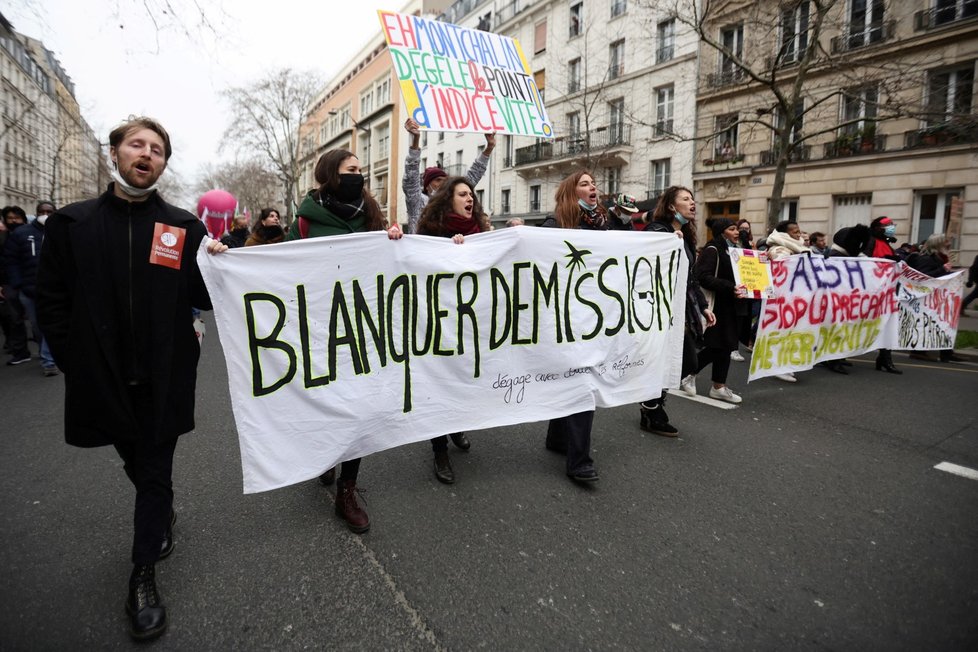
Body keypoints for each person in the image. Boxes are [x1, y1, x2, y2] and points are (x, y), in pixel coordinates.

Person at [35, 116, 227, 641]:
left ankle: (142, 576)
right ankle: (159, 512)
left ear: (164, 164)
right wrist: (77, 361)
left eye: (158, 149)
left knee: (155, 468)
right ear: (115, 152)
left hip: (165, 375)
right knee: (138, 464)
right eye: (137, 145)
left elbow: (204, 298)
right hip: (103, 378)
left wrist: (217, 264)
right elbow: (50, 301)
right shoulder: (71, 225)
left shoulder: (183, 228)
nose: (146, 154)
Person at [289, 148, 403, 528]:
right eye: (352, 169)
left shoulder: (370, 211)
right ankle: (324, 455)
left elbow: (388, 256)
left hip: (362, 323)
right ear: (331, 173)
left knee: (359, 407)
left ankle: (347, 490)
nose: (360, 174)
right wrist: (228, 257)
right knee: (325, 400)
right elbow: (280, 263)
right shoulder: (306, 219)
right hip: (321, 324)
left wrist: (394, 237)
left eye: (361, 169)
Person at [541, 170, 629, 484]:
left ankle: (557, 438)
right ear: (570, 192)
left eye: (594, 183)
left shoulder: (607, 225)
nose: (593, 187)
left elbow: (634, 246)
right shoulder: (554, 226)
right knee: (583, 384)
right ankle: (578, 461)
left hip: (595, 319)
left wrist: (667, 241)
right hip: (565, 319)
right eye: (584, 183)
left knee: (577, 379)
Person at [416, 177, 488, 482]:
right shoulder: (432, 232)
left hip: (470, 322)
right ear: (449, 200)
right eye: (462, 194)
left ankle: (456, 424)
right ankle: (439, 449)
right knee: (439, 383)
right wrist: (449, 249)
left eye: (471, 194)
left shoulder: (482, 233)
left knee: (461, 379)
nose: (469, 198)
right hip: (438, 321)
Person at [641, 186, 715, 435]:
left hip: (679, 308)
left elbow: (690, 278)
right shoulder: (657, 231)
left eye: (693, 199)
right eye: (686, 199)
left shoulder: (686, 235)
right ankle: (652, 408)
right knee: (669, 358)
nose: (692, 203)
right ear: (672, 206)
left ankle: (651, 404)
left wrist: (703, 308)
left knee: (686, 361)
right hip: (658, 308)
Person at [401, 118, 494, 233]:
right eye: (438, 180)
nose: (443, 183)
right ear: (427, 185)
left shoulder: (452, 201)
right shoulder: (417, 202)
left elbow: (473, 176)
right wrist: (415, 141)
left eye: (445, 180)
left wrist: (489, 148)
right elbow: (410, 178)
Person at [692, 218, 748, 404]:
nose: (737, 232)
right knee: (718, 346)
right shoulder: (712, 250)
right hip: (718, 307)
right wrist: (730, 287)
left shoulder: (734, 251)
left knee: (726, 346)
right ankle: (688, 372)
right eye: (732, 229)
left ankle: (718, 386)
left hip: (732, 306)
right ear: (722, 232)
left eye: (736, 229)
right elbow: (702, 276)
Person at [3, 201, 58, 375]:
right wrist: (18, 285)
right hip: (29, 290)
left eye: (49, 212)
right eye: (42, 211)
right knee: (37, 327)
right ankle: (49, 352)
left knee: (51, 323)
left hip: (54, 290)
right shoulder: (21, 233)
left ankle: (48, 361)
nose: (45, 215)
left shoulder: (61, 231)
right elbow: (11, 261)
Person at [762, 220, 814, 383]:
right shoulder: (780, 250)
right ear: (785, 234)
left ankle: (785, 364)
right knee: (781, 332)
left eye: (799, 231)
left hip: (794, 299)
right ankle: (777, 366)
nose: (798, 235)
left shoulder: (797, 249)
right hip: (782, 300)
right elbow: (782, 275)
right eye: (795, 232)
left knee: (791, 333)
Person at [906, 233, 966, 363]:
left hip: (938, 298)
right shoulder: (926, 259)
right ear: (938, 244)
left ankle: (947, 352)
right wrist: (943, 269)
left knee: (944, 324)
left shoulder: (940, 258)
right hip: (926, 299)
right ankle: (918, 351)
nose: (949, 245)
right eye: (945, 242)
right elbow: (923, 278)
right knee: (928, 324)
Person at [865, 217, 902, 374]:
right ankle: (837, 357)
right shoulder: (871, 241)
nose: (891, 227)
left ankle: (885, 358)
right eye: (887, 225)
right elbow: (863, 261)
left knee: (887, 325)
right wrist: (883, 261)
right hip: (871, 293)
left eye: (891, 225)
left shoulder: (887, 243)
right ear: (877, 227)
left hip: (886, 293)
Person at [1, 206, 31, 365]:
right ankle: (20, 351)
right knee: (14, 319)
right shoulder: (3, 236)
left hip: (29, 281)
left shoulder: (30, 234)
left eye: (16, 218)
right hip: (9, 283)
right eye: (10, 218)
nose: (13, 221)